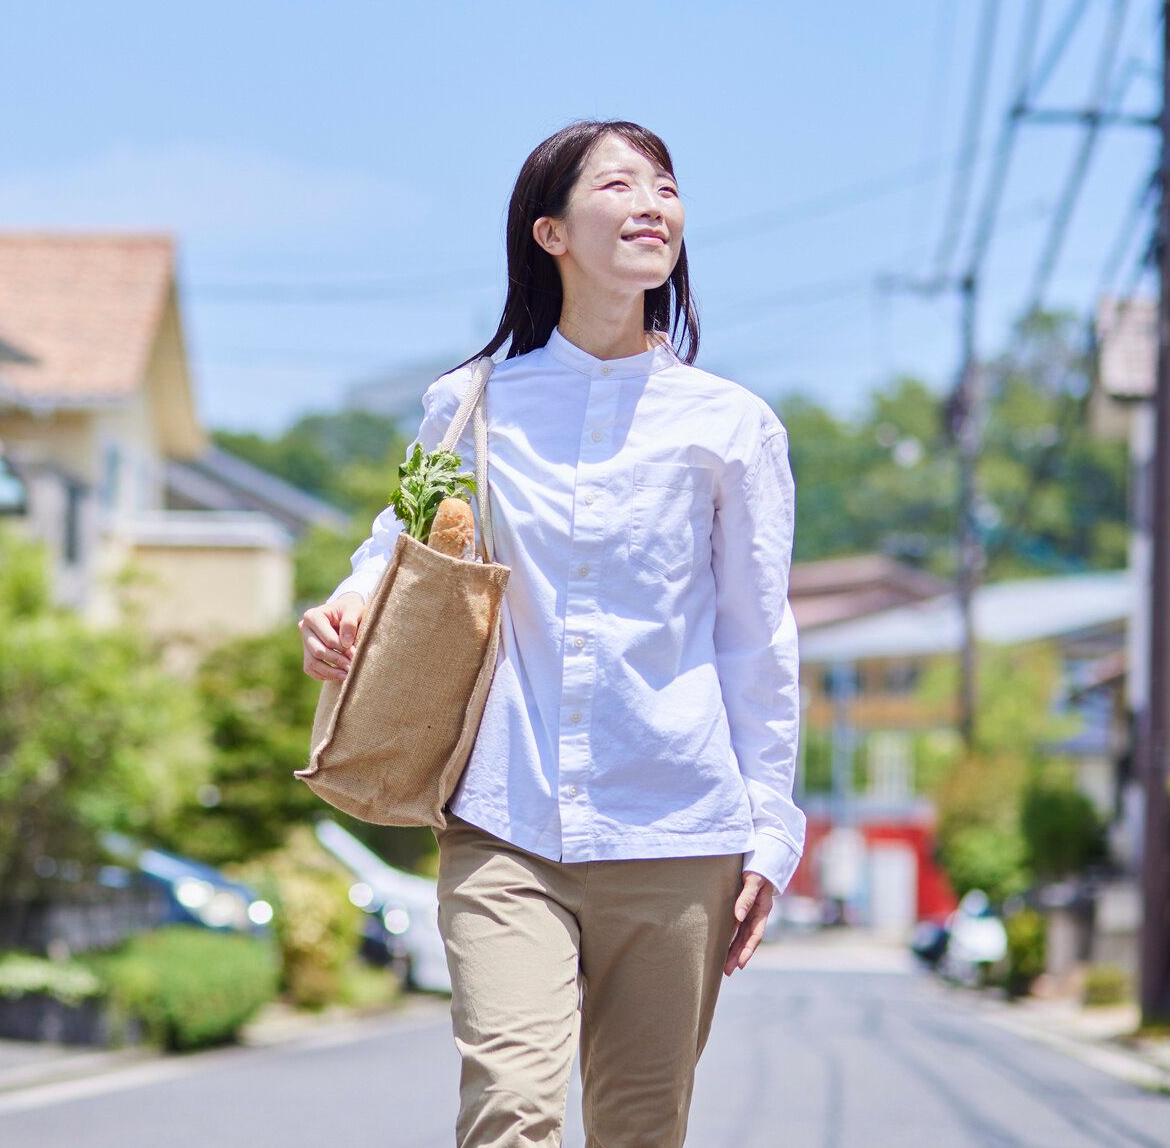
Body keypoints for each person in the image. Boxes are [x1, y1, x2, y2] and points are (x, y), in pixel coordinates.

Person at [297, 119, 805, 1148]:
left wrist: (772, 824)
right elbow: (400, 543)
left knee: (636, 1128)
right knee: (510, 1111)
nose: (649, 201)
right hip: (503, 819)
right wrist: (344, 610)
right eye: (616, 183)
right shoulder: (473, 401)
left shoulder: (729, 425)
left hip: (677, 829)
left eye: (663, 185)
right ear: (549, 232)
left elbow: (757, 639)